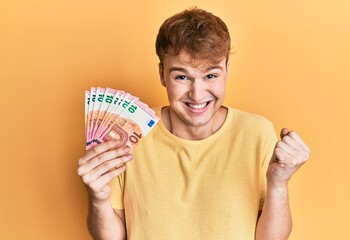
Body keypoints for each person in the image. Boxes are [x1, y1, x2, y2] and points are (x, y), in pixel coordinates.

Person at [77, 7, 310, 240]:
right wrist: (98, 198)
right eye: (182, 77)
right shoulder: (129, 132)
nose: (197, 95)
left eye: (210, 76)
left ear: (227, 69)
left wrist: (278, 185)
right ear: (162, 74)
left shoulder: (257, 133)